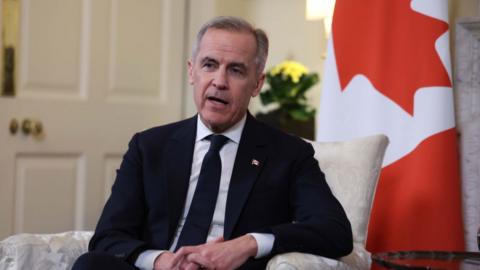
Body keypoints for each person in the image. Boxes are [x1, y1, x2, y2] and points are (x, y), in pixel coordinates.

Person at [73, 16, 352, 270]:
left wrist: (247, 244)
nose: (219, 81)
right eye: (210, 65)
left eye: (236, 70)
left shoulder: (289, 154)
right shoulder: (148, 147)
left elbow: (334, 231)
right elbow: (108, 237)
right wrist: (160, 260)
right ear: (192, 72)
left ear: (257, 84)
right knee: (90, 265)